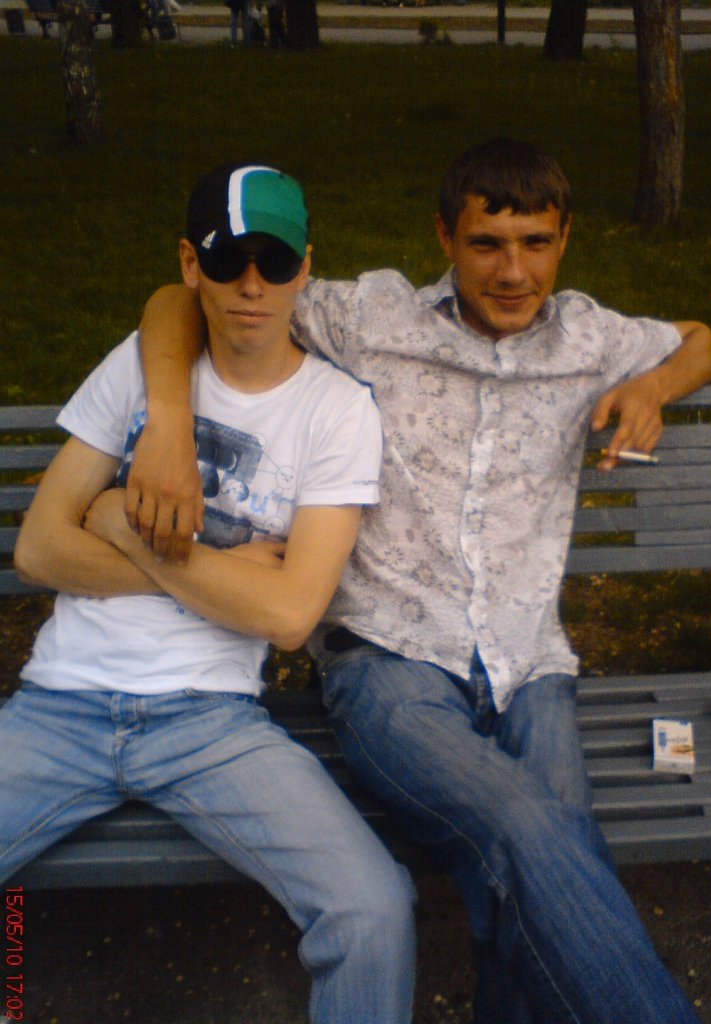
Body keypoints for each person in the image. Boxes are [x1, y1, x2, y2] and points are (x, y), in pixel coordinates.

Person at [127, 138, 711, 1023]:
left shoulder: (592, 337)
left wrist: (656, 387)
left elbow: (705, 344)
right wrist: (168, 422)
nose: (513, 272)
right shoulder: (373, 317)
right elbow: (184, 297)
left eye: (536, 243)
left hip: (530, 664)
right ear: (445, 237)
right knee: (534, 832)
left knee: (543, 862)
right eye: (487, 243)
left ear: (564, 240)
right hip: (388, 664)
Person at [3, 162, 415, 1024]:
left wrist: (120, 526)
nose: (252, 285)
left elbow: (289, 615)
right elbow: (39, 550)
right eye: (228, 261)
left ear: (307, 267)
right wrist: (223, 570)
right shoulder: (143, 366)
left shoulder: (337, 410)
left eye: (275, 261)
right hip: (59, 706)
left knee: (373, 909)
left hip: (210, 722)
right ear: (191, 264)